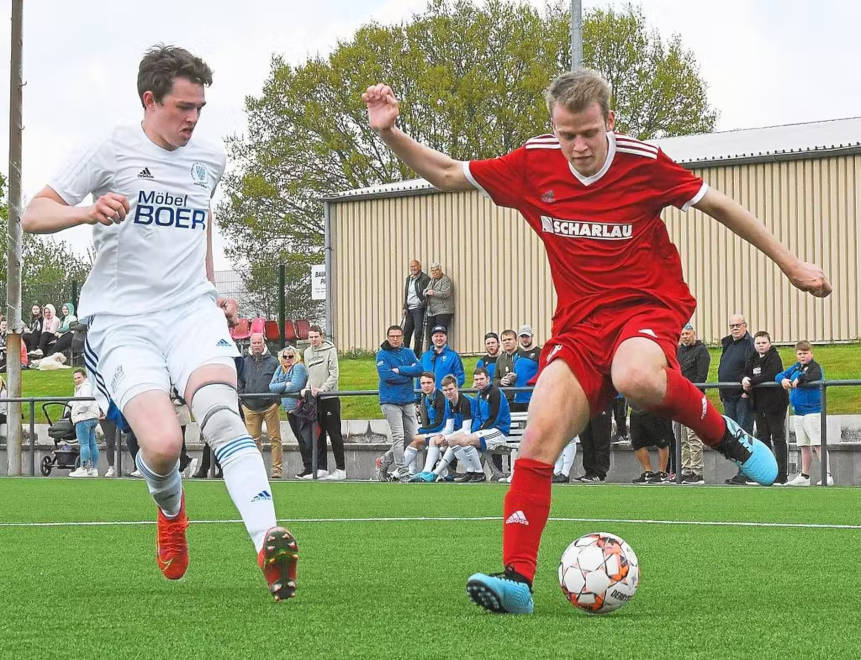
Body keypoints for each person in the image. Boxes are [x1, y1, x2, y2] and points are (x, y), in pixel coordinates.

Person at [363, 68, 829, 614]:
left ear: (609, 121)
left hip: (648, 309)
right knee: (537, 434)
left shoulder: (643, 163)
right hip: (578, 329)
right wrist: (390, 132)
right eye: (567, 135)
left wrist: (791, 264)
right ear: (553, 128)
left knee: (634, 376)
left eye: (588, 132)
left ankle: (723, 433)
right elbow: (445, 173)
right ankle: (516, 581)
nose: (579, 146)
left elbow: (721, 205)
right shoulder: (532, 163)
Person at [23, 45, 298, 601]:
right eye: (182, 107)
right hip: (122, 323)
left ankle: (268, 539)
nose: (193, 118)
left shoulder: (210, 159)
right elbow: (34, 213)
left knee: (222, 416)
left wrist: (212, 287)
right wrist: (84, 211)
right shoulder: (110, 148)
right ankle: (171, 511)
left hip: (191, 312)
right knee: (165, 444)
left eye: (200, 107)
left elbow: (201, 223)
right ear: (150, 100)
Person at [416, 368, 510, 483]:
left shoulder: (494, 393)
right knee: (453, 440)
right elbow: (477, 417)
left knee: (463, 440)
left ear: (488, 379)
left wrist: (475, 432)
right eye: (476, 379)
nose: (479, 381)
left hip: (498, 431)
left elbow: (494, 418)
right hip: (482, 431)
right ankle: (468, 472)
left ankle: (479, 473)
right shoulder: (479, 395)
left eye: (481, 379)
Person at [777, 342, 832, 486]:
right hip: (799, 412)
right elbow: (780, 374)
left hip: (812, 411)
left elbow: (815, 375)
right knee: (803, 445)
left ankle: (827, 475)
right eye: (800, 353)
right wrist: (782, 379)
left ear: (811, 353)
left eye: (805, 353)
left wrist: (800, 378)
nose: (802, 356)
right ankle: (804, 476)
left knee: (818, 444)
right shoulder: (795, 366)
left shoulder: (815, 367)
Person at [375, 325, 424, 482]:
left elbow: (420, 369)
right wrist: (408, 374)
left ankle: (384, 461)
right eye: (392, 336)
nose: (395, 339)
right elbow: (386, 376)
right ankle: (403, 472)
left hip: (407, 400)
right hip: (389, 401)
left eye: (398, 336)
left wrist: (400, 370)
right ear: (388, 337)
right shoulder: (382, 355)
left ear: (403, 337)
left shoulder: (408, 353)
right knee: (398, 436)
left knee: (412, 437)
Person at [742, 331, 789, 484]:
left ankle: (781, 475)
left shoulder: (774, 357)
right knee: (762, 438)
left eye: (764, 343)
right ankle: (765, 473)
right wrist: (745, 379)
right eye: (758, 343)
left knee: (778, 437)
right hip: (759, 404)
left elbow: (771, 374)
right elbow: (746, 373)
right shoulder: (753, 357)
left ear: (769, 343)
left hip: (775, 404)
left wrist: (752, 381)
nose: (761, 346)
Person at [410, 374, 473, 482]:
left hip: (473, 431)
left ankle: (433, 473)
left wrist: (446, 437)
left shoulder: (466, 401)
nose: (448, 392)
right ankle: (426, 472)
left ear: (456, 388)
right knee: (435, 439)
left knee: (451, 440)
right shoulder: (449, 402)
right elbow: (448, 427)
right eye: (445, 390)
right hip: (458, 432)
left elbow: (467, 429)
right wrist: (443, 436)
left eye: (451, 389)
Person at [304, 325, 347, 481]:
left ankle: (341, 469)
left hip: (330, 398)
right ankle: (322, 467)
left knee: (334, 434)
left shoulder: (330, 350)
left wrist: (322, 389)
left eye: (316, 336)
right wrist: (307, 388)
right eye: (311, 337)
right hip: (315, 400)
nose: (313, 340)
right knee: (318, 434)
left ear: (321, 336)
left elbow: (334, 374)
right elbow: (310, 375)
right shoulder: (307, 353)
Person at [239, 333, 283, 479]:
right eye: (254, 343)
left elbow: (279, 381)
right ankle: (257, 470)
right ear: (250, 344)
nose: (256, 345)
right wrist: (242, 399)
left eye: (259, 342)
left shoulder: (274, 362)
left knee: (275, 438)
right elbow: (240, 381)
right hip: (250, 406)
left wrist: (276, 401)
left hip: (270, 405)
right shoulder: (244, 362)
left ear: (264, 343)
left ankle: (277, 470)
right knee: (252, 440)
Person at [719, 314, 756, 485]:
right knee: (732, 436)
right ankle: (740, 472)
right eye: (732, 325)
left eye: (738, 325)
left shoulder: (750, 344)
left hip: (742, 396)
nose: (734, 328)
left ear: (745, 326)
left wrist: (746, 391)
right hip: (727, 396)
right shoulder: (727, 343)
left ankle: (746, 473)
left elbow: (752, 367)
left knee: (744, 435)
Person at [269, 348, 314, 478]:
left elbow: (295, 385)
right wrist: (285, 385)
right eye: (285, 356)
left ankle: (311, 467)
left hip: (300, 409)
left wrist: (281, 387)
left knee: (305, 439)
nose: (287, 359)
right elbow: (271, 386)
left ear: (296, 356)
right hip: (289, 409)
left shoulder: (299, 367)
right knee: (300, 439)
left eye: (290, 356)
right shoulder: (280, 368)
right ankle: (308, 467)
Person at [677, 323, 709, 484]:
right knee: (682, 437)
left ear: (693, 334)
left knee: (693, 436)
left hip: (694, 399)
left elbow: (701, 376)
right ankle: (686, 469)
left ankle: (697, 471)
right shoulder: (679, 351)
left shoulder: (701, 351)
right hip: (679, 399)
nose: (684, 336)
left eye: (687, 333)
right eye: (682, 334)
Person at [402, 372, 447, 476]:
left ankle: (411, 471)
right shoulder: (425, 398)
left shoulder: (440, 398)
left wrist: (421, 431)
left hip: (442, 430)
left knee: (414, 438)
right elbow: (426, 421)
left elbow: (439, 424)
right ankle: (407, 471)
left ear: (434, 383)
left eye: (429, 383)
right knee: (412, 439)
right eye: (423, 383)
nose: (426, 386)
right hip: (433, 431)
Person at [68, 368, 101, 477]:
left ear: (85, 377)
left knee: (84, 444)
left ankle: (83, 468)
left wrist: (77, 412)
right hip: (93, 417)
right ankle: (93, 468)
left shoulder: (85, 387)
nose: (77, 380)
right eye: (75, 378)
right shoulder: (87, 386)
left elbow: (85, 403)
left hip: (83, 418)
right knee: (92, 444)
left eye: (79, 377)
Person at [629, 405, 673, 484]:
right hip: (636, 410)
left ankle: (662, 472)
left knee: (662, 441)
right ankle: (648, 472)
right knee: (637, 442)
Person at [573, 404, 612, 483]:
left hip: (601, 404)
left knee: (601, 440)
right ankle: (590, 472)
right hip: (585, 406)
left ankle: (600, 474)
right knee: (586, 441)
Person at [403, 260, 431, 356]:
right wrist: (405, 307)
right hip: (409, 309)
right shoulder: (409, 279)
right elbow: (406, 294)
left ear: (419, 266)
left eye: (415, 266)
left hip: (418, 309)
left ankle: (416, 354)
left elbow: (427, 294)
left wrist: (422, 304)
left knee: (418, 332)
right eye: (411, 267)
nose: (413, 268)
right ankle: (404, 353)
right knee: (406, 331)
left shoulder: (425, 278)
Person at [423, 263, 454, 347]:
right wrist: (426, 292)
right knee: (431, 333)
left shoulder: (446, 280)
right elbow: (425, 290)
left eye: (436, 270)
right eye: (432, 271)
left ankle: (443, 350)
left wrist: (433, 292)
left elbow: (446, 294)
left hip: (443, 311)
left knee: (441, 332)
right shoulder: (432, 280)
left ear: (440, 270)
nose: (434, 272)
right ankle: (432, 352)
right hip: (432, 311)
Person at [512, 325, 540, 411]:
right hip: (518, 399)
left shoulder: (540, 353)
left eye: (527, 336)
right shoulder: (517, 355)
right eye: (522, 336)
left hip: (534, 399)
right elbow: (515, 374)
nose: (524, 339)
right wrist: (511, 378)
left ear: (532, 336)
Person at [493, 329, 519, 404]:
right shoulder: (500, 358)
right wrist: (500, 382)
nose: (507, 342)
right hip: (505, 399)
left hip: (520, 397)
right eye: (504, 340)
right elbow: (495, 379)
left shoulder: (522, 355)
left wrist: (516, 377)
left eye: (509, 339)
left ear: (516, 340)